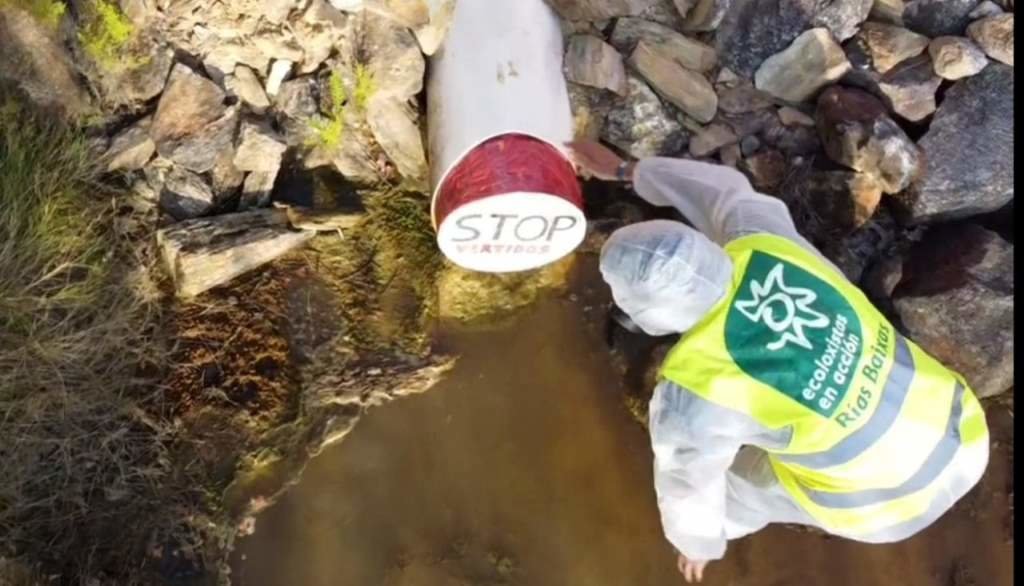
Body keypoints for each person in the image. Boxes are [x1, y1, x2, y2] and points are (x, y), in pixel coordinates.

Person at [566, 140, 991, 584]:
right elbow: (724, 191)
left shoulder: (693, 392)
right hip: (961, 427)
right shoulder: (762, 241)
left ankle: (724, 533)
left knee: (741, 489)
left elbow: (687, 484)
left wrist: (697, 543)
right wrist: (626, 170)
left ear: (649, 314)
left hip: (883, 506)